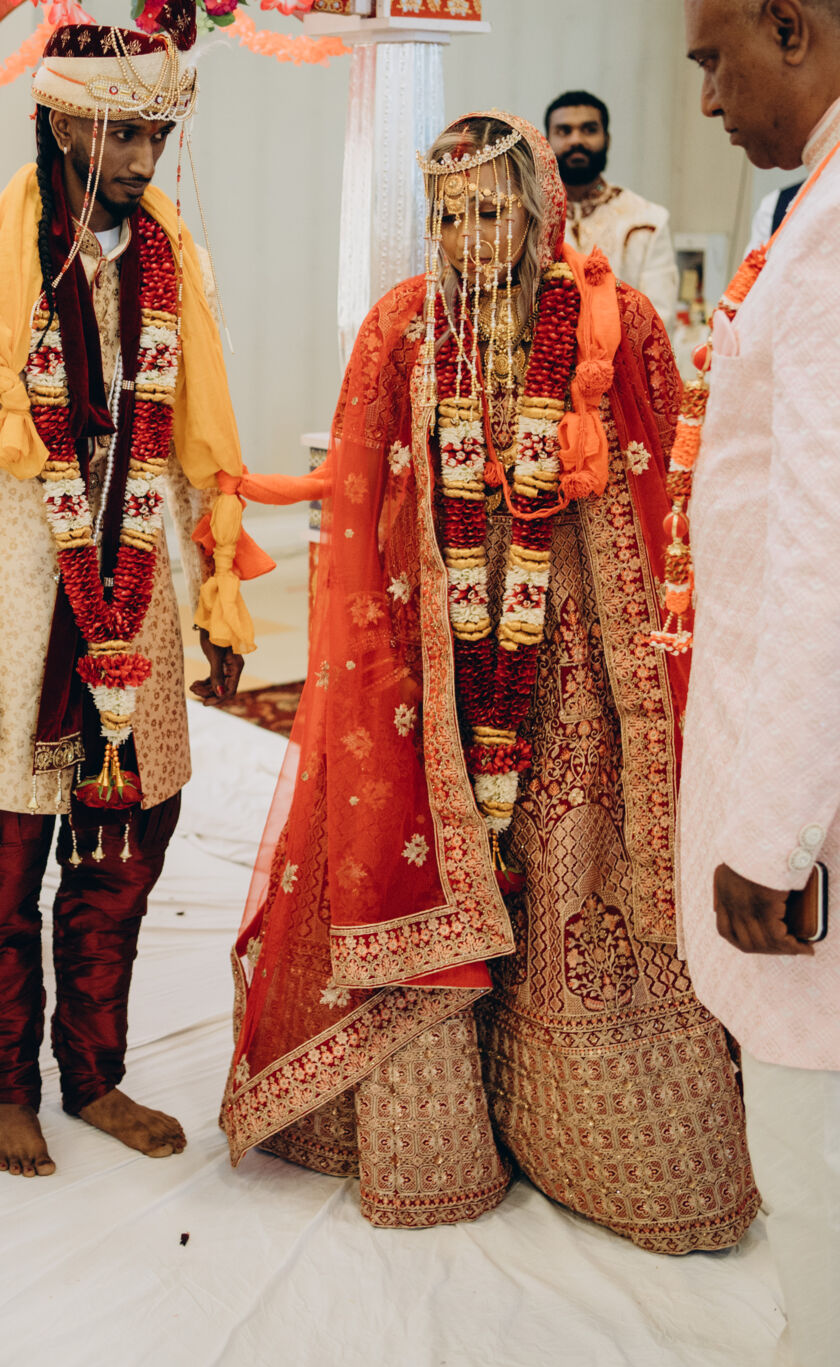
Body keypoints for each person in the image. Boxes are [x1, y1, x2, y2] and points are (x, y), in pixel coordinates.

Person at [220, 108, 757, 1253]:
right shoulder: (402, 326)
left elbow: (668, 487)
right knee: (436, 856)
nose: (468, 239)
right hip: (434, 658)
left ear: (539, 208)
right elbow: (360, 503)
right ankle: (441, 1137)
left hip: (576, 660)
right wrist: (379, 661)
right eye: (448, 217)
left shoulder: (615, 318)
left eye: (491, 213)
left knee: (571, 866)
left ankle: (590, 1140)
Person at [0, 20, 261, 1179]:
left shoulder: (176, 263)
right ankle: (6, 1086)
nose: (143, 155)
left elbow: (196, 448)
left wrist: (215, 602)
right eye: (120, 130)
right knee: (0, 873)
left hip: (134, 604)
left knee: (120, 864)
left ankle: (92, 1076)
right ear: (58, 121)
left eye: (156, 132)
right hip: (9, 613)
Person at [637, 0, 840, 1367]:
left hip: (811, 788)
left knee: (813, 1111)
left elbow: (826, 548)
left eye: (717, 61)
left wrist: (773, 832)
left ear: (791, 22)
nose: (707, 98)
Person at [546, 89, 680, 333]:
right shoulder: (528, 218)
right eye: (564, 131)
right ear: (546, 142)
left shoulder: (647, 220)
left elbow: (659, 320)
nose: (576, 140)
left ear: (607, 139)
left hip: (624, 355)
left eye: (589, 129)